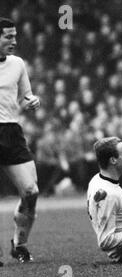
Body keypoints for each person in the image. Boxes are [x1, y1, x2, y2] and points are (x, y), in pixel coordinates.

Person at [0, 18, 41, 263]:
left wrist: (32, 102)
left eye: (15, 36)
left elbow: (26, 97)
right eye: (7, 37)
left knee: (31, 191)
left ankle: (19, 244)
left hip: (11, 132)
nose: (14, 41)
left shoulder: (17, 64)